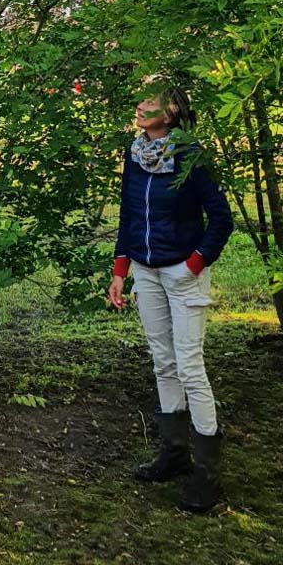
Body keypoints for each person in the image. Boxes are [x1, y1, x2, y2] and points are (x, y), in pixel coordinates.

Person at [107, 84, 234, 514]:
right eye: (139, 99)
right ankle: (174, 453)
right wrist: (121, 272)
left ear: (174, 111)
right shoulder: (135, 155)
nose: (141, 107)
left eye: (153, 101)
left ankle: (206, 472)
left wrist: (194, 265)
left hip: (182, 275)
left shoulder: (192, 156)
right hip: (146, 270)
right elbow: (129, 214)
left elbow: (221, 218)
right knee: (162, 361)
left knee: (189, 365)